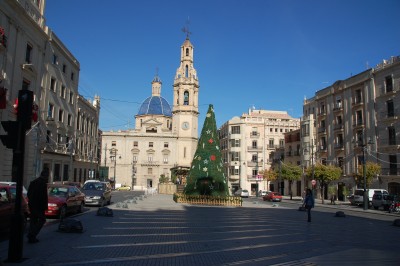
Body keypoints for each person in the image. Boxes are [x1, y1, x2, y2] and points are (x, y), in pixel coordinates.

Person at [27, 167, 49, 243]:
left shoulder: (33, 182)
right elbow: (43, 197)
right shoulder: (42, 184)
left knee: (33, 220)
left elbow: (28, 194)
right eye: (47, 176)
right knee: (42, 220)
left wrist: (31, 202)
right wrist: (45, 207)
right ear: (46, 176)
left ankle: (31, 235)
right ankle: (32, 234)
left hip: (32, 205)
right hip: (39, 206)